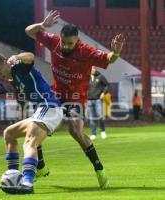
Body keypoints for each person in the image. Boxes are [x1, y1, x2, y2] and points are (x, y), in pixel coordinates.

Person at [25, 10, 125, 188]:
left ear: (77, 40)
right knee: (35, 125)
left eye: (70, 43)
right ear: (61, 37)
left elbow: (109, 59)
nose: (66, 46)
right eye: (64, 42)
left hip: (76, 99)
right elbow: (28, 31)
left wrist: (115, 52)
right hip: (55, 96)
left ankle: (99, 169)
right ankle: (40, 167)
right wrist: (42, 25)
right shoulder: (54, 42)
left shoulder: (86, 52)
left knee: (75, 131)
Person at [0, 52, 63, 194]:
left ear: (5, 62)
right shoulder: (13, 79)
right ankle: (13, 178)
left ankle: (27, 182)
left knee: (29, 142)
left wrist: (17, 57)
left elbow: (31, 57)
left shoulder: (18, 67)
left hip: (49, 107)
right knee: (9, 133)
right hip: (41, 110)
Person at [88, 66, 109, 140]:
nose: (92, 70)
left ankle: (102, 131)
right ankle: (93, 134)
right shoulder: (86, 77)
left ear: (96, 69)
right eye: (91, 69)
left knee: (100, 116)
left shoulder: (100, 76)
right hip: (89, 100)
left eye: (93, 69)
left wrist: (103, 93)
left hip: (98, 100)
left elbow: (107, 85)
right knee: (91, 118)